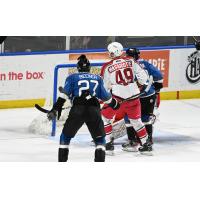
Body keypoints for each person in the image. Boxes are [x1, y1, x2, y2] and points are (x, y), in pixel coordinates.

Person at [47, 55, 119, 162]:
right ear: (89, 67)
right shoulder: (98, 78)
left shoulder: (72, 77)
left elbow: (63, 96)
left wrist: (55, 108)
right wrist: (115, 104)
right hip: (94, 110)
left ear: (78, 67)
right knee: (100, 140)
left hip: (77, 110)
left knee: (65, 137)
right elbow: (106, 98)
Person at [100, 42, 152, 155]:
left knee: (105, 118)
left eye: (110, 52)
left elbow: (104, 87)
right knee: (136, 121)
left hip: (117, 99)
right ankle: (146, 145)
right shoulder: (131, 61)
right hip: (134, 97)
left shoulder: (107, 66)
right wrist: (137, 84)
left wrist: (105, 96)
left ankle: (108, 145)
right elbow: (143, 77)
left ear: (113, 52)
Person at [121, 48, 163, 151]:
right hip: (149, 95)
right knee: (146, 118)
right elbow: (159, 77)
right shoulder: (145, 63)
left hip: (133, 97)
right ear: (138, 55)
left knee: (129, 118)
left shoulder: (124, 65)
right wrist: (156, 88)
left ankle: (133, 141)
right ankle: (148, 140)